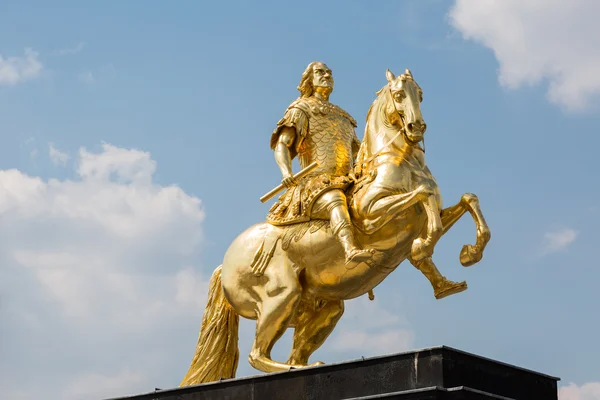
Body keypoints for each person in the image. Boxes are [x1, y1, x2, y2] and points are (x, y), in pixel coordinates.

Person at [268, 61, 375, 265]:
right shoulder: (300, 109)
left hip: (347, 180)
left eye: (329, 73)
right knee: (335, 199)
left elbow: (358, 152)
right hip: (316, 183)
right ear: (309, 79)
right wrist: (286, 173)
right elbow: (282, 144)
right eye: (320, 72)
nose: (327, 76)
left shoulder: (343, 116)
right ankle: (350, 249)